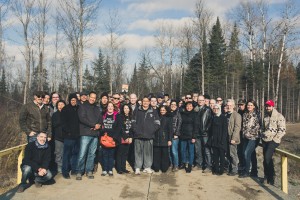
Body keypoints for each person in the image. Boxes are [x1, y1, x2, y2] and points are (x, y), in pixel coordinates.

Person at [76, 91, 102, 180]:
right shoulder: (82, 107)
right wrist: (93, 125)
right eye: (91, 97)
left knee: (92, 154)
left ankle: (89, 170)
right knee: (82, 153)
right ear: (88, 97)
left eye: (94, 98)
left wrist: (98, 125)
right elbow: (82, 119)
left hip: (95, 134)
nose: (93, 99)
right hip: (85, 133)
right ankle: (79, 171)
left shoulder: (97, 108)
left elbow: (100, 119)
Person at [132, 96, 160, 175]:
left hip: (149, 136)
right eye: (144, 101)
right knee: (138, 152)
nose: (145, 102)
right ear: (141, 102)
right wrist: (136, 130)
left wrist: (151, 130)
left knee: (148, 153)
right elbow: (133, 121)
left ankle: (147, 167)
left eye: (147, 101)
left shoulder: (153, 111)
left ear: (149, 102)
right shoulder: (137, 110)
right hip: (138, 135)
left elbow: (157, 123)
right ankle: (137, 167)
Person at [261, 100, 286, 185]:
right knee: (266, 159)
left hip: (274, 141)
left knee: (268, 157)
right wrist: (263, 135)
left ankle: (271, 178)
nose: (267, 107)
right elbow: (263, 128)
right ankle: (267, 176)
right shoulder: (265, 117)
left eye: (269, 106)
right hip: (265, 140)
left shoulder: (279, 116)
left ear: (273, 106)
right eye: (266, 106)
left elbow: (282, 130)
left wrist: (275, 140)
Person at [239, 99, 261, 178]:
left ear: (254, 106)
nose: (249, 106)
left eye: (251, 105)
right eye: (248, 105)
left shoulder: (256, 115)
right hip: (245, 137)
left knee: (246, 153)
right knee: (251, 154)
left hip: (253, 138)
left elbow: (257, 128)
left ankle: (246, 171)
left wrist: (249, 134)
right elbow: (244, 126)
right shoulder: (245, 114)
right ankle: (254, 172)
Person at [61, 93, 80, 179]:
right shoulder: (65, 109)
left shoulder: (78, 108)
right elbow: (63, 123)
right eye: (72, 100)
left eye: (75, 100)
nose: (73, 102)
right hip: (68, 136)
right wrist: (68, 132)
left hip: (77, 136)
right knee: (67, 154)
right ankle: (65, 171)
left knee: (75, 154)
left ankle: (74, 169)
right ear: (69, 100)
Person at [100, 102, 122, 176]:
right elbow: (101, 126)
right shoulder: (103, 115)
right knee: (105, 155)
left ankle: (110, 169)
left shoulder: (117, 116)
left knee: (111, 155)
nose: (110, 107)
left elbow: (119, 127)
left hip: (113, 139)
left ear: (113, 107)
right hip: (105, 138)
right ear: (107, 107)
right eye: (108, 106)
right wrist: (103, 133)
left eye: (111, 106)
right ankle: (104, 170)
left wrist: (114, 137)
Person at [194, 95, 212, 173]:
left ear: (204, 101)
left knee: (206, 150)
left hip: (205, 133)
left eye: (202, 100)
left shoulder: (208, 110)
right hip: (197, 133)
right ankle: (199, 164)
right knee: (198, 150)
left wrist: (206, 130)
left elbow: (210, 121)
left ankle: (208, 166)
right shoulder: (195, 109)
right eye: (199, 100)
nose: (200, 101)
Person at [208, 104, 227, 176]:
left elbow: (225, 130)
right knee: (215, 155)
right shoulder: (213, 117)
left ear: (219, 109)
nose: (215, 110)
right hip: (214, 140)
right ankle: (216, 169)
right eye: (214, 108)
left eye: (217, 108)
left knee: (222, 156)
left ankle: (221, 170)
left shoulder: (223, 117)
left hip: (221, 140)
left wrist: (222, 140)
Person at [152, 105, 172, 173]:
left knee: (164, 154)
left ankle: (164, 168)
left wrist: (169, 140)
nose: (162, 111)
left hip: (164, 139)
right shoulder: (156, 118)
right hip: (156, 139)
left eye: (163, 110)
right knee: (156, 154)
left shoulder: (168, 118)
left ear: (166, 111)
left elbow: (170, 130)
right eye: (161, 110)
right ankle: (156, 167)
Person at [179, 102, 197, 173]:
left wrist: (194, 137)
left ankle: (190, 164)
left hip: (191, 136)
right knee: (182, 150)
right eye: (187, 106)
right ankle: (183, 163)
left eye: (190, 106)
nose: (189, 107)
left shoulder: (195, 115)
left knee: (191, 151)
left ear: (192, 107)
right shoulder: (182, 114)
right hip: (183, 135)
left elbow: (196, 126)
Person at [225, 99, 241, 176]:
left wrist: (234, 138)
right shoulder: (225, 114)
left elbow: (237, 128)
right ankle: (229, 168)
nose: (229, 106)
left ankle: (235, 169)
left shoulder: (237, 115)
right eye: (227, 105)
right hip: (226, 137)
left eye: (230, 105)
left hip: (232, 138)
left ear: (233, 106)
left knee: (233, 154)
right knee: (227, 154)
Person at [116, 104, 133, 174]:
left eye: (127, 108)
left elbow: (132, 128)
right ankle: (119, 168)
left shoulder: (131, 117)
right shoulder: (120, 117)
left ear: (129, 109)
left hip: (129, 138)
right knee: (120, 153)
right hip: (122, 137)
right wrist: (125, 137)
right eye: (125, 108)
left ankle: (123, 168)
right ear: (122, 109)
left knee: (125, 154)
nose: (126, 110)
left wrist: (131, 137)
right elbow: (120, 128)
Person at [51, 100, 66, 174]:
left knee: (65, 153)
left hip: (67, 137)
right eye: (59, 105)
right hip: (58, 137)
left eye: (62, 104)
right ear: (57, 106)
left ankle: (65, 167)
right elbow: (54, 125)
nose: (61, 106)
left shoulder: (68, 114)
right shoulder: (55, 115)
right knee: (58, 153)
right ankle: (58, 167)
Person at [169, 100, 182, 172]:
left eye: (174, 104)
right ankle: (171, 163)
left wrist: (176, 134)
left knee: (174, 151)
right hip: (168, 135)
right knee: (169, 151)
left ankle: (176, 165)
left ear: (176, 106)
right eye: (172, 104)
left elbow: (179, 124)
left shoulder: (178, 114)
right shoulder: (168, 113)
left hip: (174, 135)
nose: (173, 105)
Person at [237, 99, 246, 172]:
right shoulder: (239, 112)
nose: (240, 106)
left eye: (241, 105)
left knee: (245, 151)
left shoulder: (246, 112)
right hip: (239, 134)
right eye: (239, 105)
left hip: (246, 135)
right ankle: (241, 164)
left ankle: (246, 167)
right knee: (239, 151)